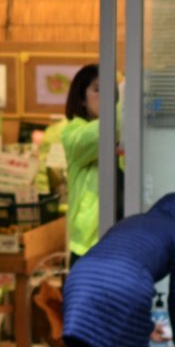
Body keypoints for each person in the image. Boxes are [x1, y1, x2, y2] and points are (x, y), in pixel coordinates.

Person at [62, 192, 175, 347]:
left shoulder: (130, 221)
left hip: (78, 281)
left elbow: (110, 279)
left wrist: (147, 328)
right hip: (126, 285)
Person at [60, 63, 121, 265]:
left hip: (121, 238)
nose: (107, 96)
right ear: (81, 99)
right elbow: (100, 133)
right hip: (88, 245)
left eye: (112, 90)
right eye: (98, 90)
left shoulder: (122, 130)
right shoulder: (74, 133)